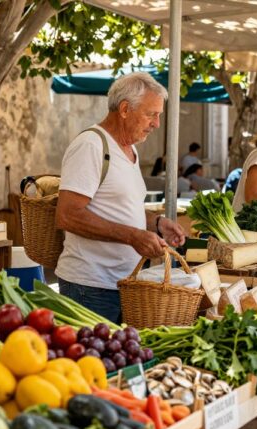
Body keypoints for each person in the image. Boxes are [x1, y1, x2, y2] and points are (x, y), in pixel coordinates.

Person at [55, 72, 187, 323]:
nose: (157, 123)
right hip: (90, 287)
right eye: (151, 114)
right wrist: (132, 236)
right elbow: (67, 215)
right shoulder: (91, 146)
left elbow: (121, 207)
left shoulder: (130, 149)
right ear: (125, 109)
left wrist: (157, 223)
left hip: (124, 284)